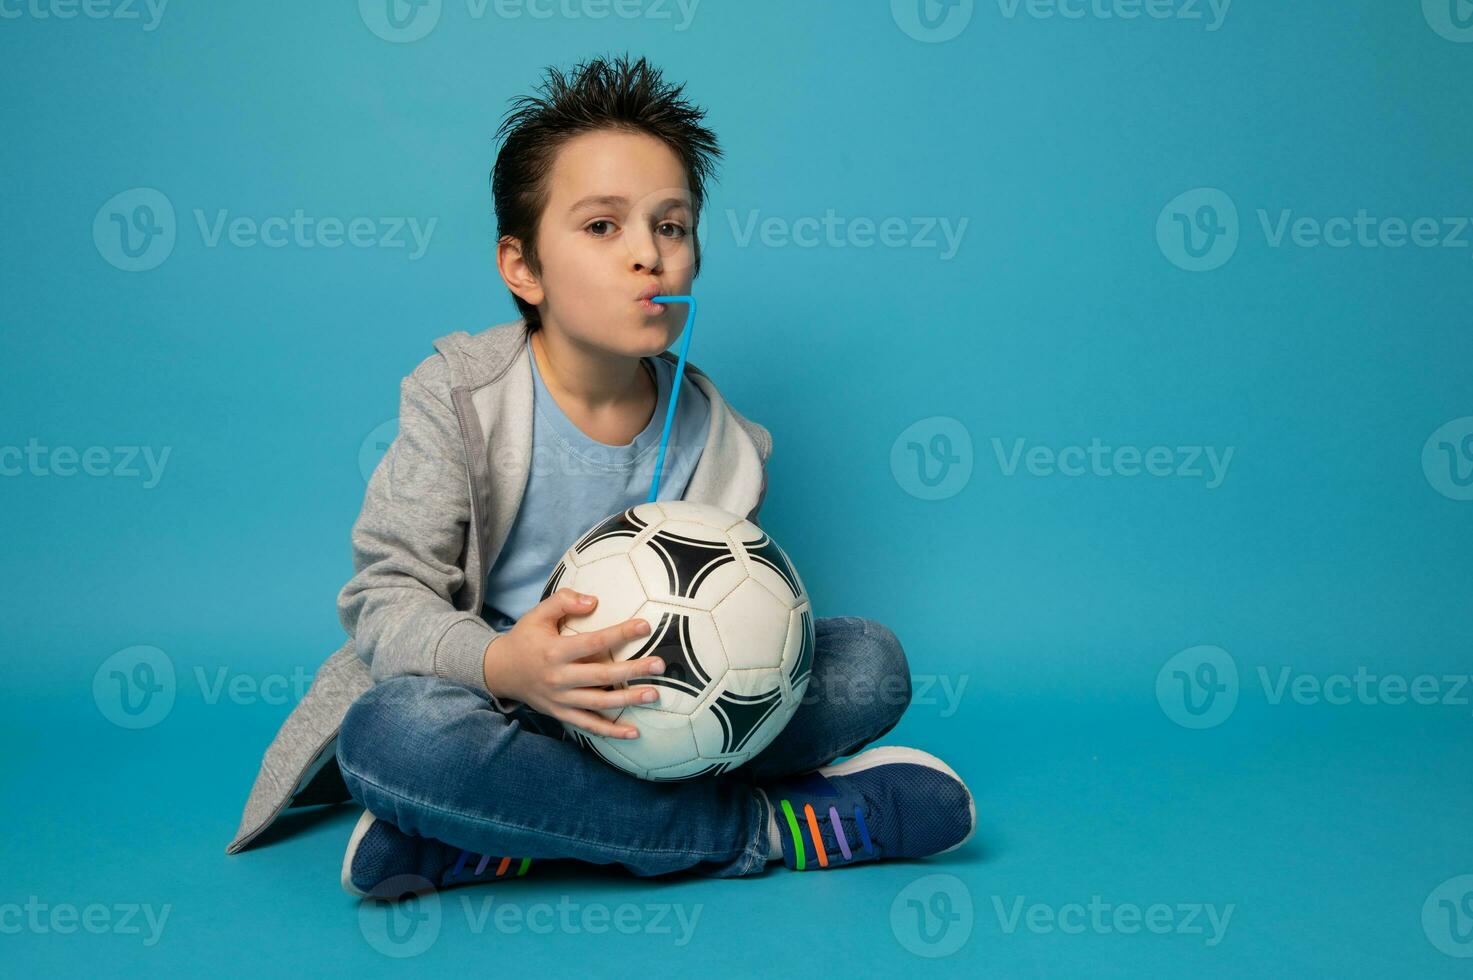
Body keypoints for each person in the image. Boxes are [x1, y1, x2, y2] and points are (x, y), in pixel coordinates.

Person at [334, 53, 976, 900]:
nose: (647, 254)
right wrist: (504, 667)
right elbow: (384, 599)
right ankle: (766, 831)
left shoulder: (717, 438)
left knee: (866, 663)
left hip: (658, 715)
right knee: (391, 735)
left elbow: (733, 627)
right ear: (521, 268)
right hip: (497, 707)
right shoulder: (459, 398)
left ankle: (507, 833)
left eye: (670, 225)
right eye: (601, 226)